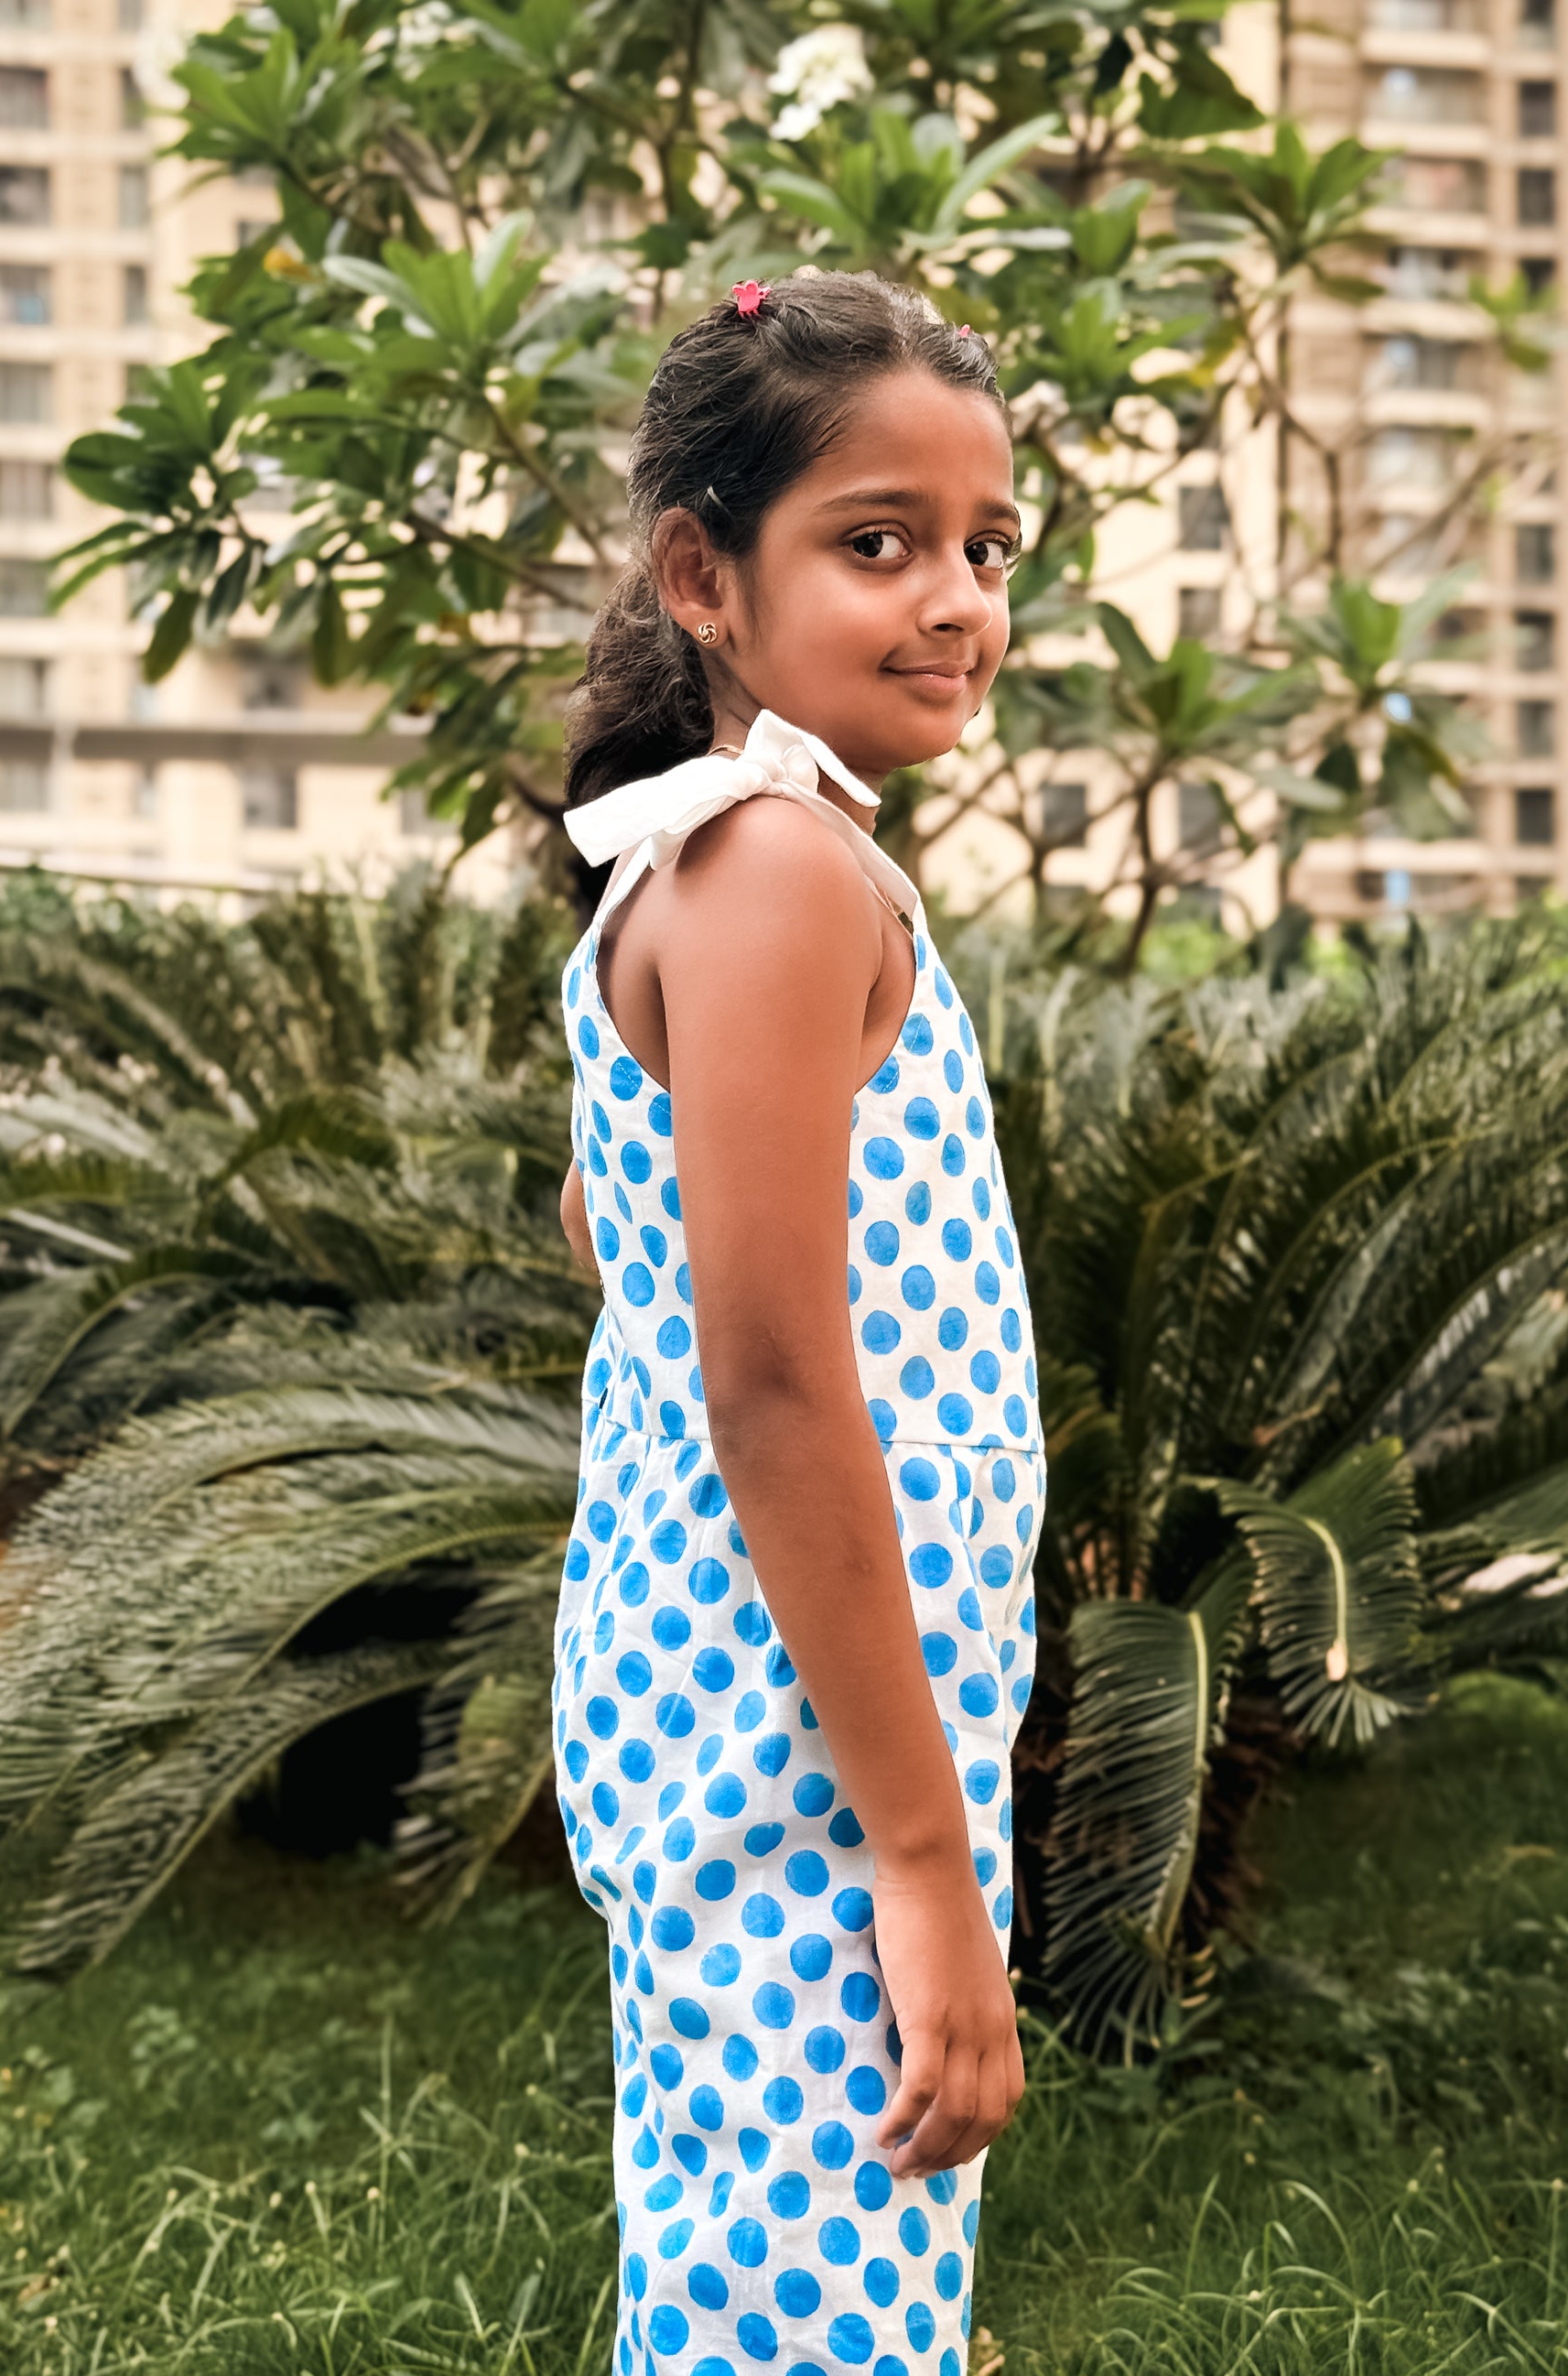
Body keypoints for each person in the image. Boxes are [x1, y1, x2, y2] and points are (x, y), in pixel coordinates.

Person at [552, 268, 1046, 2376]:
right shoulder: (774, 871)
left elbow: (614, 1218)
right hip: (801, 1733)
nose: (954, 599)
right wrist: (918, 1856)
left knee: (767, 2258)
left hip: (761, 1690)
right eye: (877, 540)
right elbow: (767, 1379)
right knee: (811, 2301)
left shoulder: (733, 861)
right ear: (706, 578)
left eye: (986, 547)